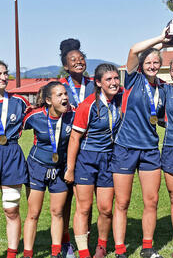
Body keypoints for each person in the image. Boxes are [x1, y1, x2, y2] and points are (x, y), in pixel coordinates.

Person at [109, 30, 167, 258]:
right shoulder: (133, 79)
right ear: (142, 65)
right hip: (125, 147)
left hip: (151, 149)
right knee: (122, 202)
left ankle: (147, 247)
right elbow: (133, 50)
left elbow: (163, 117)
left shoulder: (163, 87)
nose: (152, 66)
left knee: (151, 201)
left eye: (156, 63)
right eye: (149, 62)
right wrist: (161, 40)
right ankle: (121, 249)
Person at [64, 64, 122, 258]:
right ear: (98, 83)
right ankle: (83, 251)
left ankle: (101, 246)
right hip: (87, 160)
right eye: (109, 79)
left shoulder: (119, 101)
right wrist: (70, 169)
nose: (114, 83)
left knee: (105, 209)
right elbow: (74, 138)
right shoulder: (88, 105)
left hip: (108, 159)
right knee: (84, 208)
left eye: (116, 78)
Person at [22, 81, 75, 258]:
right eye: (59, 95)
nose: (64, 97)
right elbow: (14, 128)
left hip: (59, 170)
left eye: (65, 94)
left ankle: (55, 253)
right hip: (36, 167)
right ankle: (28, 253)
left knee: (57, 212)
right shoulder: (34, 116)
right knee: (33, 213)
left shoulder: (72, 115)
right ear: (49, 100)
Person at [59, 38, 95, 258]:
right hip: (64, 147)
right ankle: (64, 242)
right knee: (65, 199)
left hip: (89, 148)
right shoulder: (59, 87)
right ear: (66, 65)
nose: (79, 62)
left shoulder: (94, 84)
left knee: (86, 201)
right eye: (74, 60)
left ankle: (84, 242)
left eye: (81, 59)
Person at [0, 60, 30, 258]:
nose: (4, 77)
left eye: (5, 73)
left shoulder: (19, 102)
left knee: (11, 209)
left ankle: (11, 253)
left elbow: (40, 115)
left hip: (10, 153)